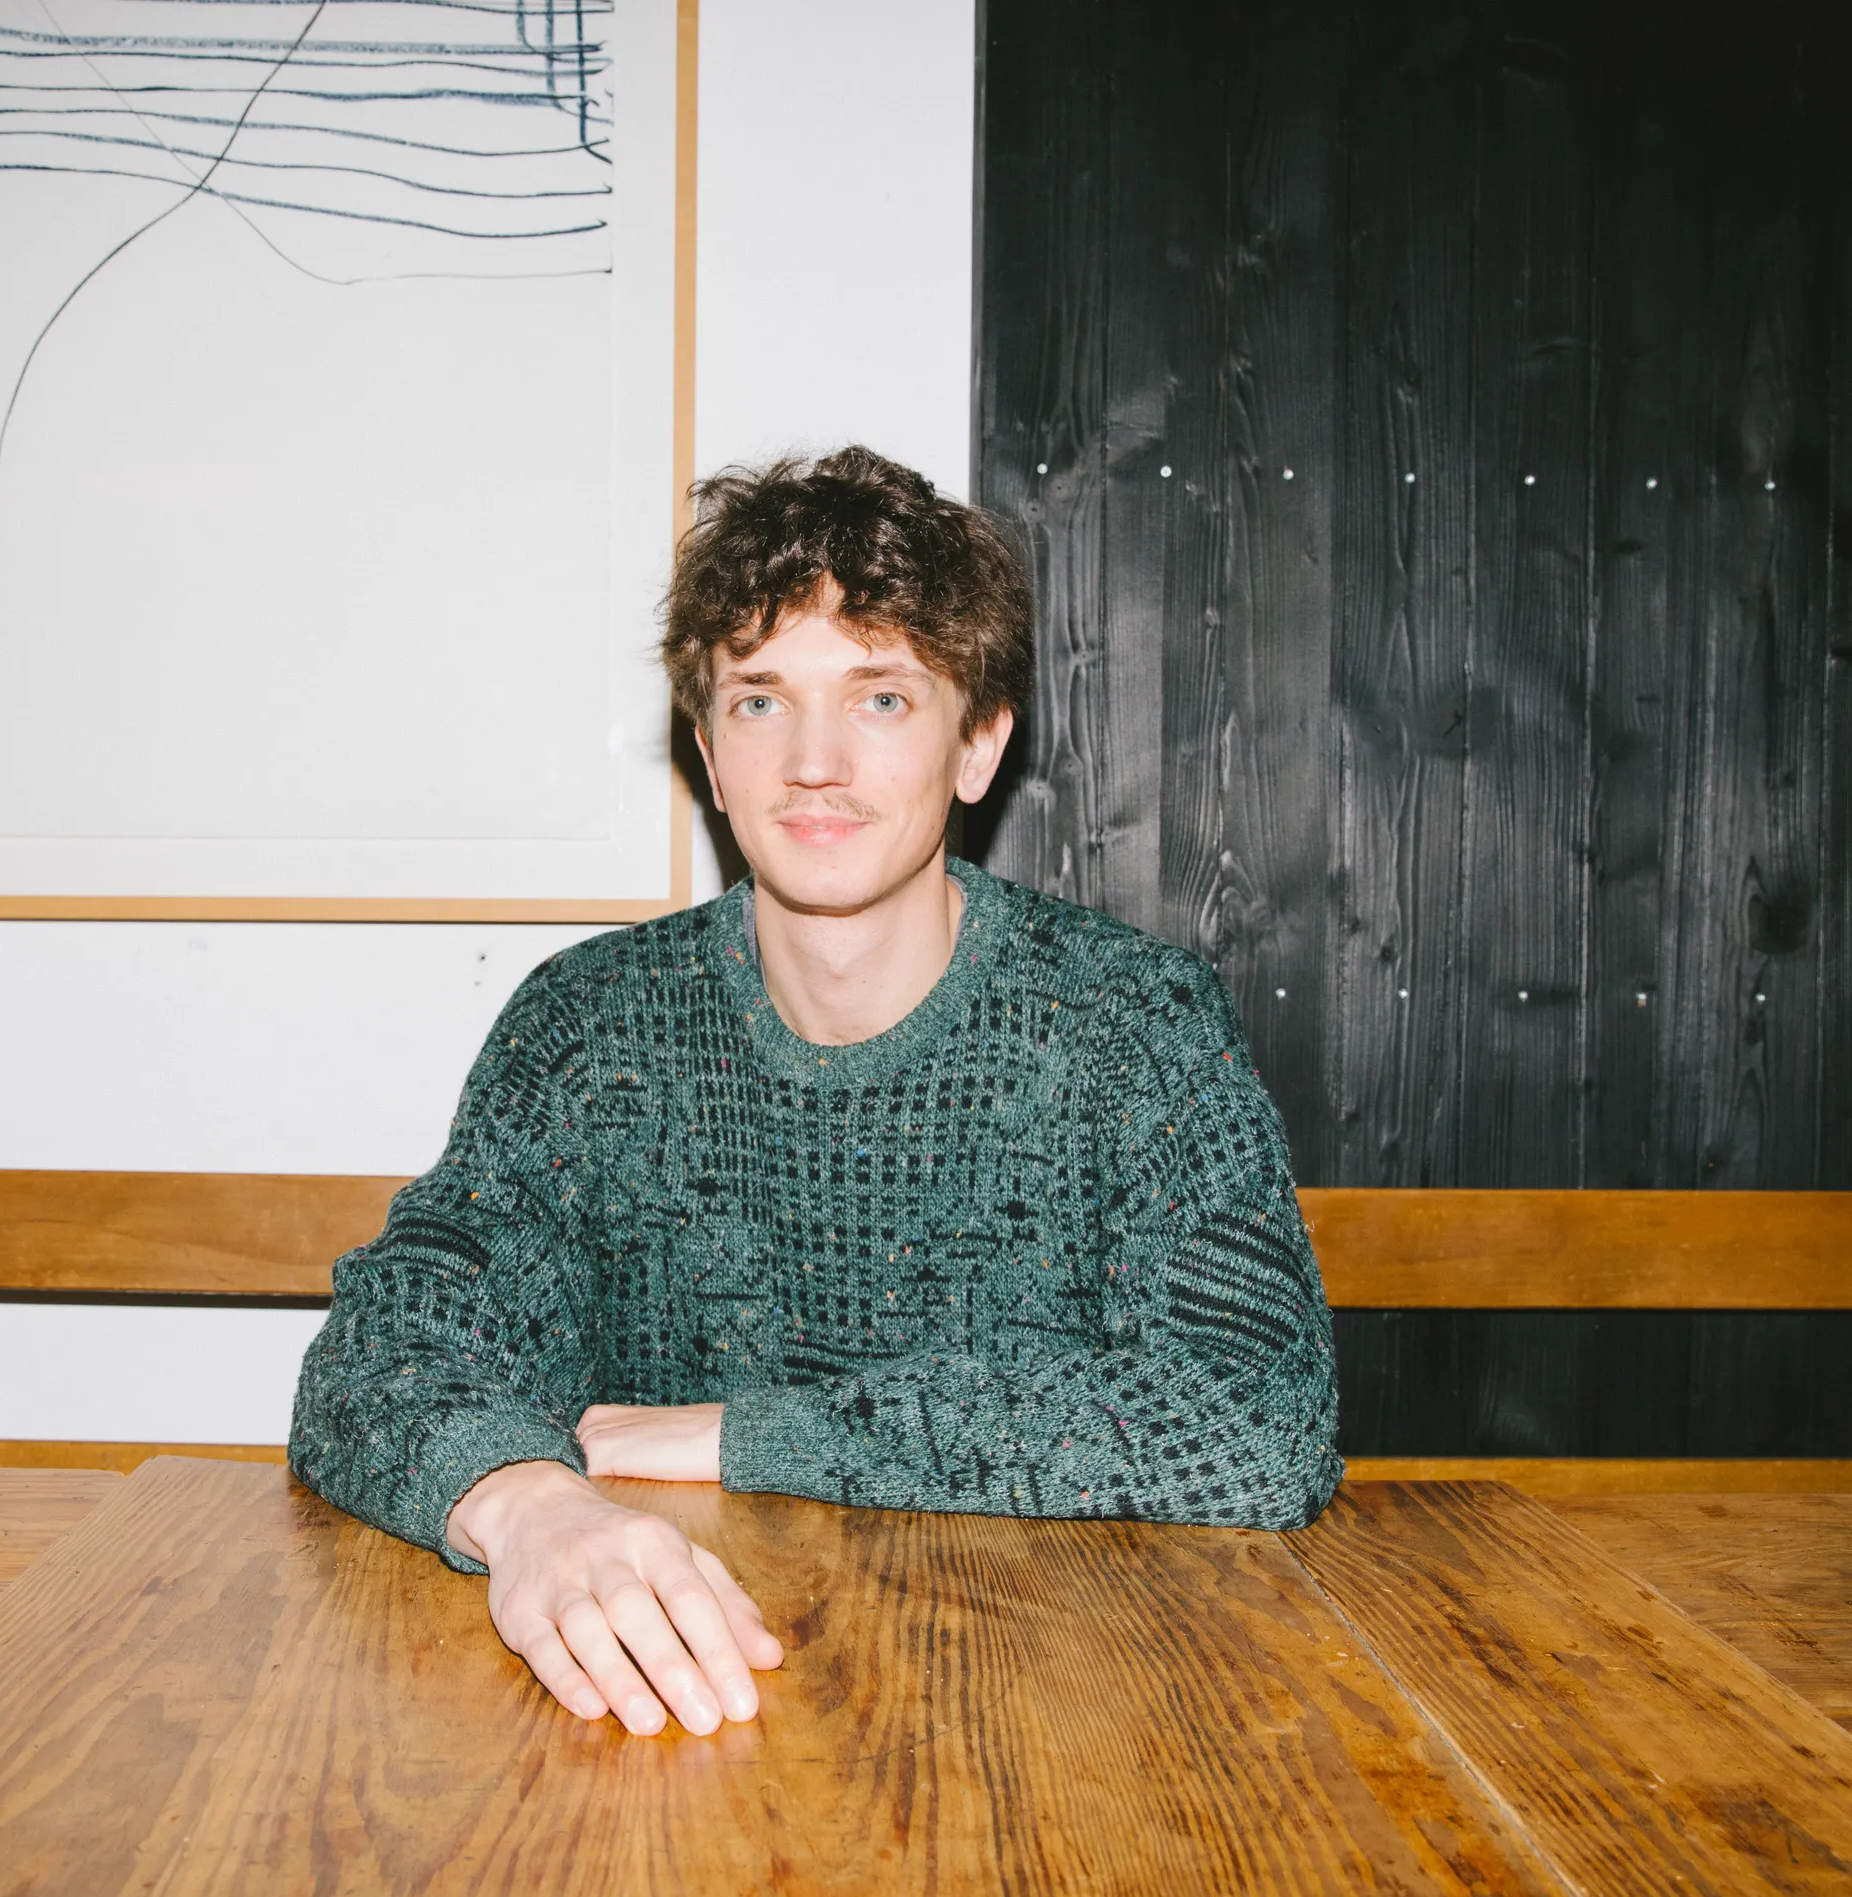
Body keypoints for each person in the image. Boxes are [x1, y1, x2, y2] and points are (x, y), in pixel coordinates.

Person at [290, 445, 1340, 1739]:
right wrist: (527, 1505)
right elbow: (385, 1349)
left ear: (979, 745)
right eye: (760, 701)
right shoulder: (587, 1027)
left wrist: (745, 1437)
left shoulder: (1133, 1023)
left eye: (882, 698)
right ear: (708, 752)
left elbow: (1258, 1419)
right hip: (667, 1709)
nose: (814, 762)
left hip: (1054, 1707)